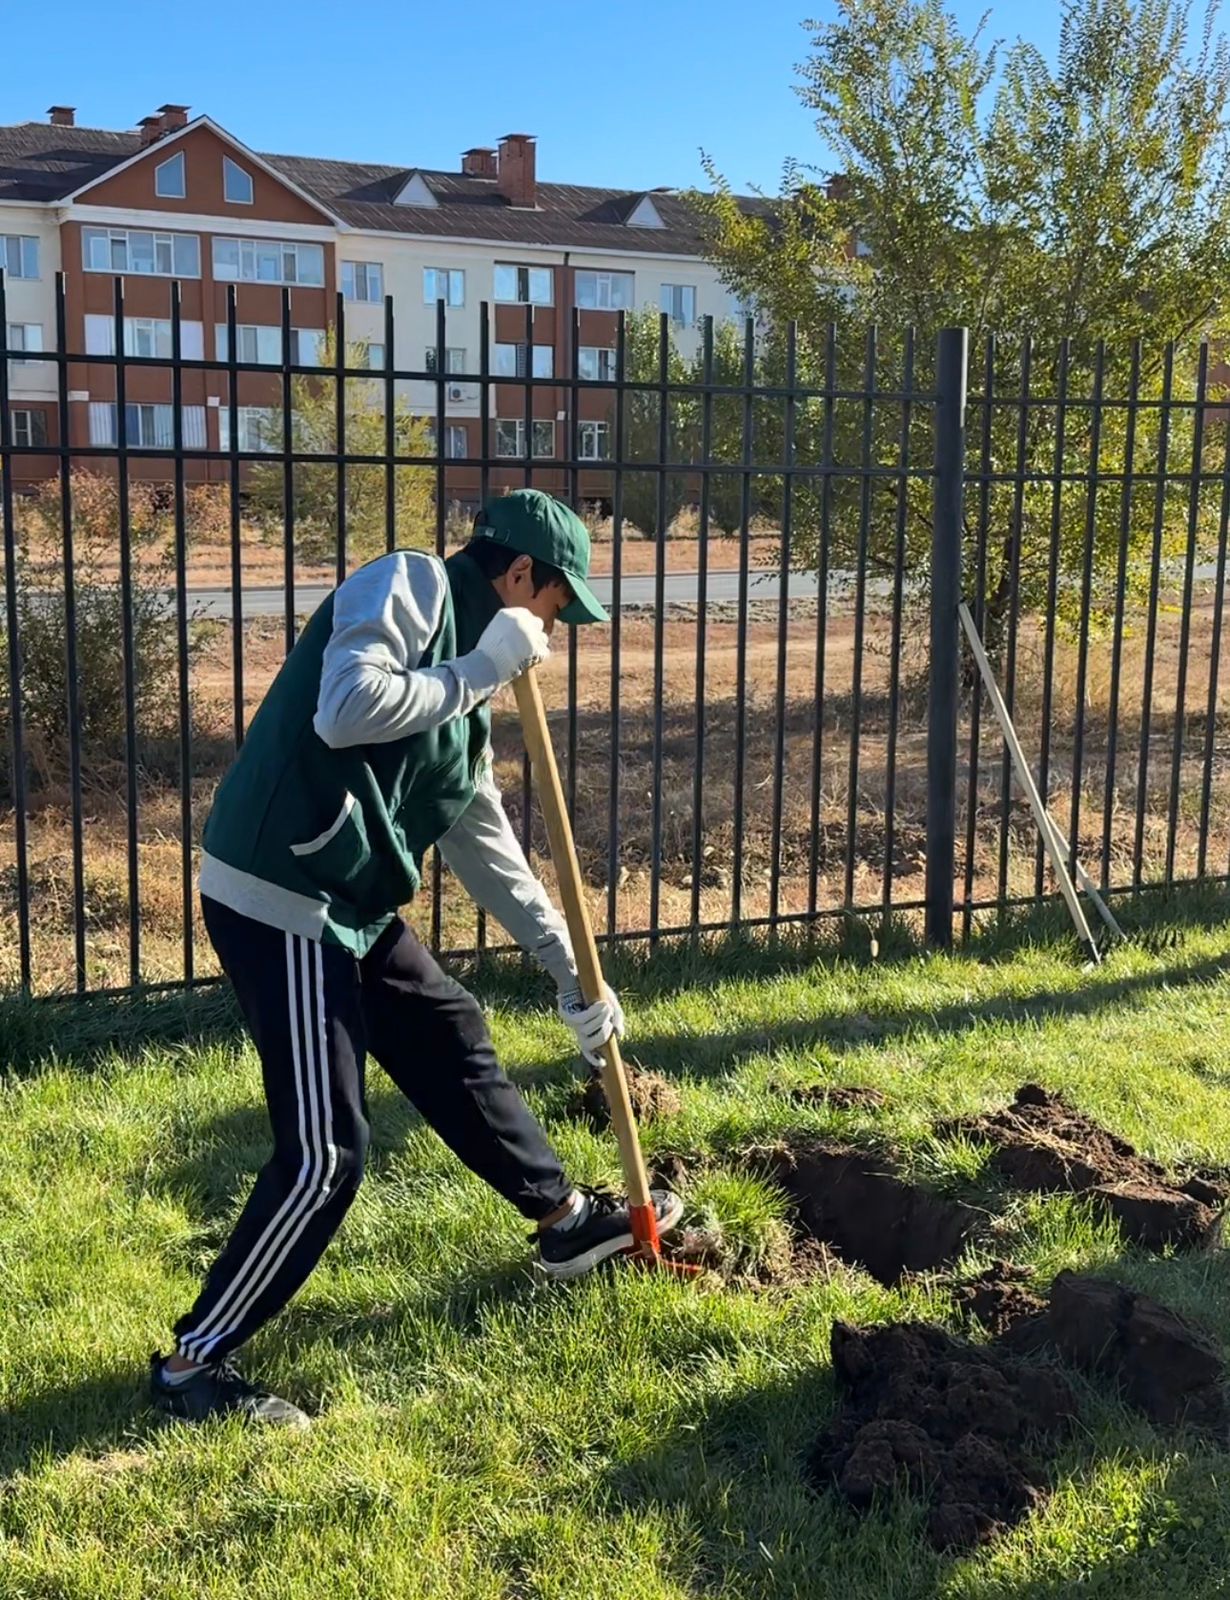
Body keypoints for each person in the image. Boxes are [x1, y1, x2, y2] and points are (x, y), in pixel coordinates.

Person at [150, 489, 682, 1427]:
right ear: (520, 576)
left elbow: (486, 845)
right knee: (325, 1154)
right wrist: (480, 663)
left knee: (450, 1029)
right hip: (280, 896)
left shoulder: (470, 706)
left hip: (348, 904)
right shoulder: (407, 585)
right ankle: (193, 1367)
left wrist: (573, 973)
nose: (555, 631)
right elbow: (347, 708)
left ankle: (562, 1224)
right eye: (557, 605)